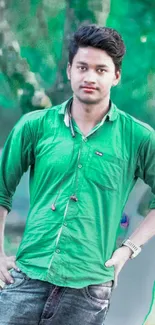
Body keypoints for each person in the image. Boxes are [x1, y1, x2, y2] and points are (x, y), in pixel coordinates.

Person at [0, 24, 155, 325]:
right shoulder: (35, 126)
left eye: (101, 69)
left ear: (116, 76)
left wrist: (128, 249)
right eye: (82, 67)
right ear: (70, 70)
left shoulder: (138, 138)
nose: (90, 77)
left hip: (89, 290)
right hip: (26, 280)